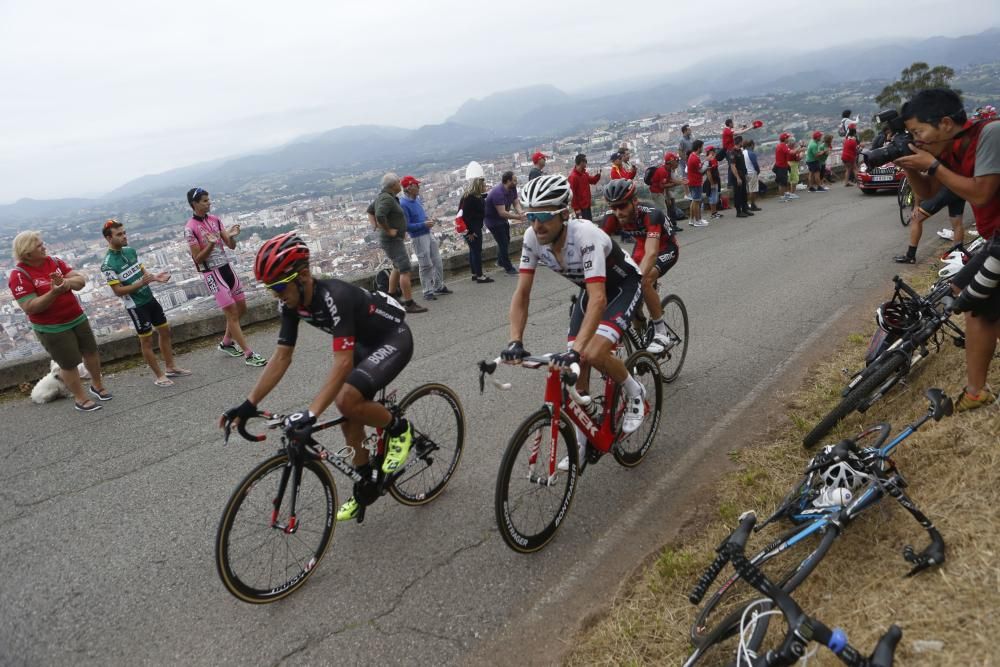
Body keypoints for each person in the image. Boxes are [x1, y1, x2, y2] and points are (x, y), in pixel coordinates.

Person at [221, 233, 416, 521]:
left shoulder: (334, 297)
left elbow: (341, 363)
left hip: (392, 338)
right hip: (363, 344)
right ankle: (366, 483)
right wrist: (249, 404)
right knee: (349, 417)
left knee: (346, 399)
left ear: (303, 275)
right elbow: (281, 358)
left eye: (278, 287)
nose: (276, 295)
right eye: (270, 289)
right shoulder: (290, 303)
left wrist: (311, 413)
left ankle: (400, 429)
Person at [502, 174, 648, 469]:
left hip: (622, 286)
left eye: (544, 215)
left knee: (591, 353)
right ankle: (582, 443)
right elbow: (522, 293)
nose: (536, 224)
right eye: (531, 216)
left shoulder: (585, 236)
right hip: (591, 290)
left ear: (564, 214)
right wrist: (515, 340)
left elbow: (599, 299)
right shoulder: (533, 238)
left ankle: (636, 392)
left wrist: (578, 349)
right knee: (575, 372)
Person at [894, 88, 1000, 411]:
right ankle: (976, 392)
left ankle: (975, 391)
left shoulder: (991, 134)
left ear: (944, 123)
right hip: (995, 239)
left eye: (918, 132)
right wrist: (911, 166)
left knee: (977, 302)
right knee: (974, 303)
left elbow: (981, 194)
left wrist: (933, 165)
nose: (917, 139)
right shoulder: (949, 149)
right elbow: (927, 194)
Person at [8, 231, 111, 412]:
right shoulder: (20, 275)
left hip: (76, 316)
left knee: (91, 352)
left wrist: (66, 283)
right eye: (39, 245)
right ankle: (80, 399)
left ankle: (97, 385)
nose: (44, 247)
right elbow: (29, 306)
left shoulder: (54, 262)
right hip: (52, 327)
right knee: (68, 363)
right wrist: (54, 292)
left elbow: (80, 280)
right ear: (27, 252)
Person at [100, 220, 190, 386]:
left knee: (165, 331)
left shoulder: (130, 251)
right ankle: (159, 376)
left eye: (124, 232)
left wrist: (155, 278)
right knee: (146, 341)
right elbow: (118, 291)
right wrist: (141, 284)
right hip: (136, 306)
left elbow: (142, 271)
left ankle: (170, 367)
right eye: (119, 234)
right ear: (108, 238)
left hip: (149, 298)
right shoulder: (107, 265)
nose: (124, 236)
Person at [184, 187, 267, 366]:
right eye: (205, 201)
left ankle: (227, 342)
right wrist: (211, 245)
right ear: (194, 204)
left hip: (226, 268)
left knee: (241, 309)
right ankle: (249, 354)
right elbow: (197, 259)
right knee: (231, 313)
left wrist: (232, 236)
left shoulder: (215, 220)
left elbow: (231, 246)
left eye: (208, 199)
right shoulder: (190, 229)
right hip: (211, 273)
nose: (209, 203)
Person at [601, 179, 679, 355]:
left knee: (643, 281)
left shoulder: (652, 214)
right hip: (641, 247)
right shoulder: (611, 218)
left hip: (665, 248)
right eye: (614, 207)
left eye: (622, 206)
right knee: (627, 294)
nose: (618, 212)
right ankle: (641, 342)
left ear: (634, 201)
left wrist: (636, 280)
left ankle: (661, 332)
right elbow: (596, 248)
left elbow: (651, 253)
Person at [369, 173, 427, 313]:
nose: (400, 184)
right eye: (398, 182)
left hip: (394, 239)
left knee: (396, 266)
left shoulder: (385, 197)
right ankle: (409, 303)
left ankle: (391, 296)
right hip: (392, 240)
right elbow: (379, 215)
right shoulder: (387, 200)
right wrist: (388, 230)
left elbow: (370, 211)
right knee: (405, 269)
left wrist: (375, 226)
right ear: (393, 185)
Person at [399, 175, 451, 301]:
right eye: (416, 185)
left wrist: (427, 220)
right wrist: (423, 224)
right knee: (425, 264)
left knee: (437, 261)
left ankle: (438, 286)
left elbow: (420, 215)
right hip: (418, 237)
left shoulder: (416, 199)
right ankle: (427, 290)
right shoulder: (403, 204)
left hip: (428, 233)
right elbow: (406, 226)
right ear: (409, 188)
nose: (419, 187)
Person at [894, 187, 967, 264]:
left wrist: (916, 205)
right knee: (957, 224)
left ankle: (910, 256)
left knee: (916, 218)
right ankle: (958, 255)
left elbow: (918, 185)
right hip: (960, 190)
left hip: (945, 189)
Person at [484, 170, 526, 275]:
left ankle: (500, 261)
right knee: (503, 243)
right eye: (514, 180)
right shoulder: (498, 193)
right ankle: (508, 267)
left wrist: (520, 212)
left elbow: (515, 202)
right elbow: (502, 213)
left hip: (502, 219)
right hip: (493, 221)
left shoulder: (512, 188)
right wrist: (518, 217)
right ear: (508, 181)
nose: (516, 182)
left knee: (506, 240)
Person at [459, 176, 494, 283]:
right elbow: (465, 216)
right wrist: (470, 232)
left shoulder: (468, 196)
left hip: (472, 227)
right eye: (483, 185)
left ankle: (474, 273)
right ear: (478, 186)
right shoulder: (471, 199)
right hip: (472, 229)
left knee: (473, 251)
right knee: (477, 251)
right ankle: (480, 276)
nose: (485, 187)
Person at [649, 152, 683, 232]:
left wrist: (678, 182)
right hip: (656, 193)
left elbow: (667, 181)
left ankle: (665, 228)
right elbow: (662, 186)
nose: (676, 161)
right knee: (663, 211)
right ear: (671, 162)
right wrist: (675, 184)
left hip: (659, 192)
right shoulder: (663, 171)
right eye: (675, 160)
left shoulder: (666, 169)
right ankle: (664, 229)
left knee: (663, 210)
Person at [568, 153, 601, 221]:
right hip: (581, 208)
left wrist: (598, 175)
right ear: (581, 162)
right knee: (584, 227)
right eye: (585, 161)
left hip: (587, 205)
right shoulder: (573, 177)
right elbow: (572, 194)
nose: (586, 163)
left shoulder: (584, 174)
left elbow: (592, 181)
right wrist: (576, 209)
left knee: (589, 224)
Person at [686, 140, 709, 227]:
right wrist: (707, 163)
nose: (702, 149)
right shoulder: (695, 158)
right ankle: (697, 220)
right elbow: (701, 170)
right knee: (697, 201)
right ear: (699, 147)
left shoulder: (692, 156)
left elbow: (698, 167)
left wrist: (704, 161)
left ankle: (692, 220)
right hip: (696, 182)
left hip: (692, 181)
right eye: (702, 147)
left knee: (694, 201)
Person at [729, 136, 752, 218]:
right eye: (742, 142)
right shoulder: (733, 152)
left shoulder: (740, 151)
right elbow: (733, 166)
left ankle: (745, 209)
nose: (743, 143)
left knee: (743, 193)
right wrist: (738, 177)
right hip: (737, 176)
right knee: (738, 194)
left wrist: (745, 175)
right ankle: (739, 212)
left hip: (742, 175)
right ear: (739, 142)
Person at [775, 132, 799, 201]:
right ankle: (782, 197)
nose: (789, 138)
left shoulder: (781, 145)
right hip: (781, 166)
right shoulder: (783, 146)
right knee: (782, 183)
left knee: (783, 182)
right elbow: (791, 152)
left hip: (782, 166)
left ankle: (784, 195)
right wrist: (800, 147)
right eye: (788, 137)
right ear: (785, 138)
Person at [744, 139, 763, 211]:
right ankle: (752, 204)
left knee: (747, 190)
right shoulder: (751, 153)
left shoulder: (743, 152)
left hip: (745, 173)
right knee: (753, 190)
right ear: (751, 145)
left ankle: (747, 204)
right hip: (752, 172)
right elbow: (755, 164)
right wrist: (758, 171)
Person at [704, 147, 722, 219]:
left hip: (716, 180)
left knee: (715, 197)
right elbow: (708, 173)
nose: (714, 152)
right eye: (713, 151)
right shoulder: (707, 161)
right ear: (710, 152)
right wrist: (711, 183)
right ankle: (713, 213)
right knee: (712, 198)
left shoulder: (714, 159)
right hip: (711, 182)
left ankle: (715, 212)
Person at [678, 125, 695, 198]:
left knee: (691, 176)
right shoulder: (682, 140)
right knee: (685, 177)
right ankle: (687, 194)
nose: (690, 131)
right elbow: (680, 151)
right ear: (685, 131)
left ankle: (692, 192)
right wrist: (685, 159)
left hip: (691, 160)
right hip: (684, 161)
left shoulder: (690, 139)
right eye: (689, 130)